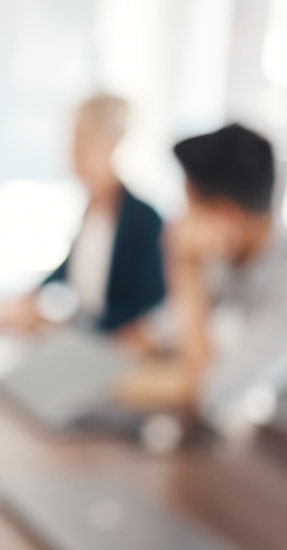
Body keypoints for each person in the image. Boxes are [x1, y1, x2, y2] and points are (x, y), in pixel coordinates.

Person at [118, 123, 287, 431]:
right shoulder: (227, 260)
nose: (178, 219)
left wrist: (186, 270)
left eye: (189, 204)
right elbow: (155, 333)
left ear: (226, 217)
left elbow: (208, 394)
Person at [3, 94, 166, 342]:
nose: (71, 151)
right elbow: (68, 269)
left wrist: (61, 326)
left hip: (113, 350)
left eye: (81, 142)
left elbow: (146, 307)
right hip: (83, 341)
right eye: (71, 140)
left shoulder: (144, 220)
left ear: (110, 145)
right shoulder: (90, 210)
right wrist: (27, 300)